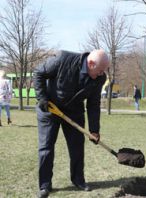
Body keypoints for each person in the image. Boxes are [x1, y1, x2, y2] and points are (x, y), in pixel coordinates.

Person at [33, 49, 109, 198]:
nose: (102, 74)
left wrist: (94, 130)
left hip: (74, 111)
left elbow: (93, 104)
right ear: (91, 63)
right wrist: (41, 98)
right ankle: (45, 185)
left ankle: (78, 180)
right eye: (100, 70)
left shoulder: (99, 78)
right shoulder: (63, 59)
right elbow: (38, 73)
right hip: (49, 108)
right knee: (46, 147)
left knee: (77, 147)